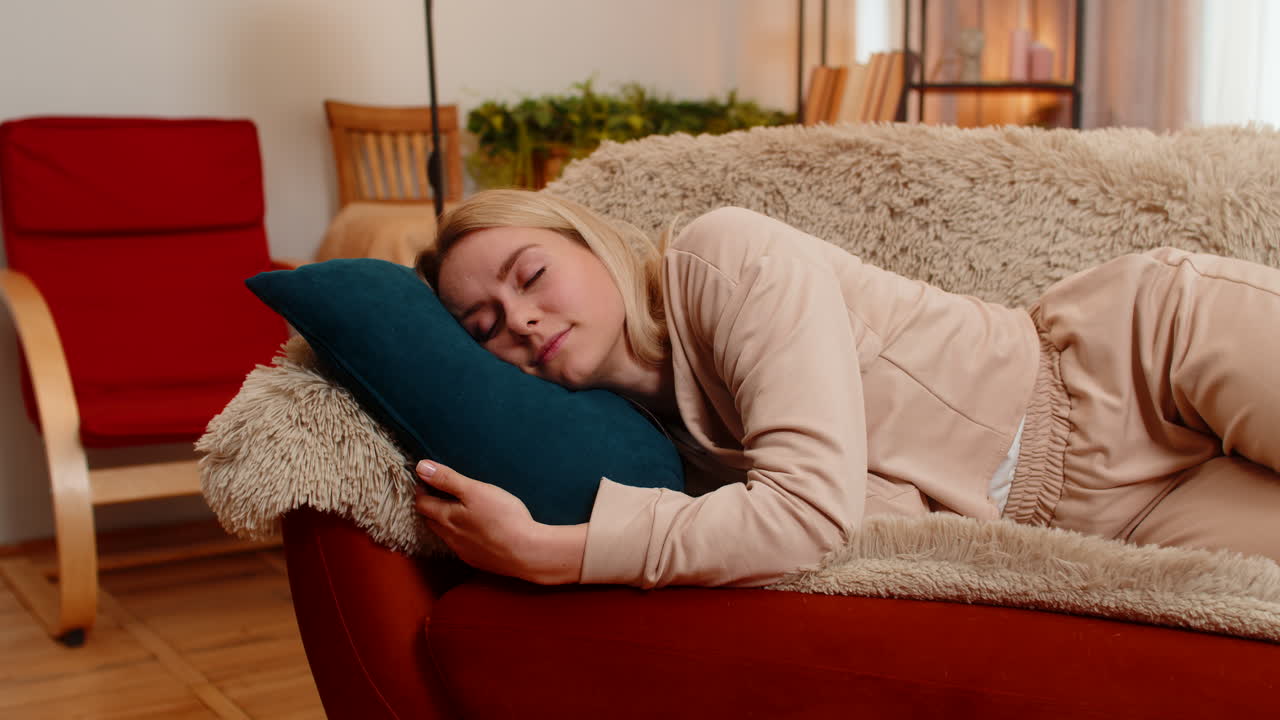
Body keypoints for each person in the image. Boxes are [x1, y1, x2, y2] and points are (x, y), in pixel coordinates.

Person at [411, 188, 1280, 589]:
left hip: (1141, 358)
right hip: (1107, 522)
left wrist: (550, 552)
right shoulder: (658, 449)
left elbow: (806, 515)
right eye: (483, 326)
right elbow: (858, 523)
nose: (520, 319)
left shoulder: (722, 256)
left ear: (590, 242)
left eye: (531, 274)